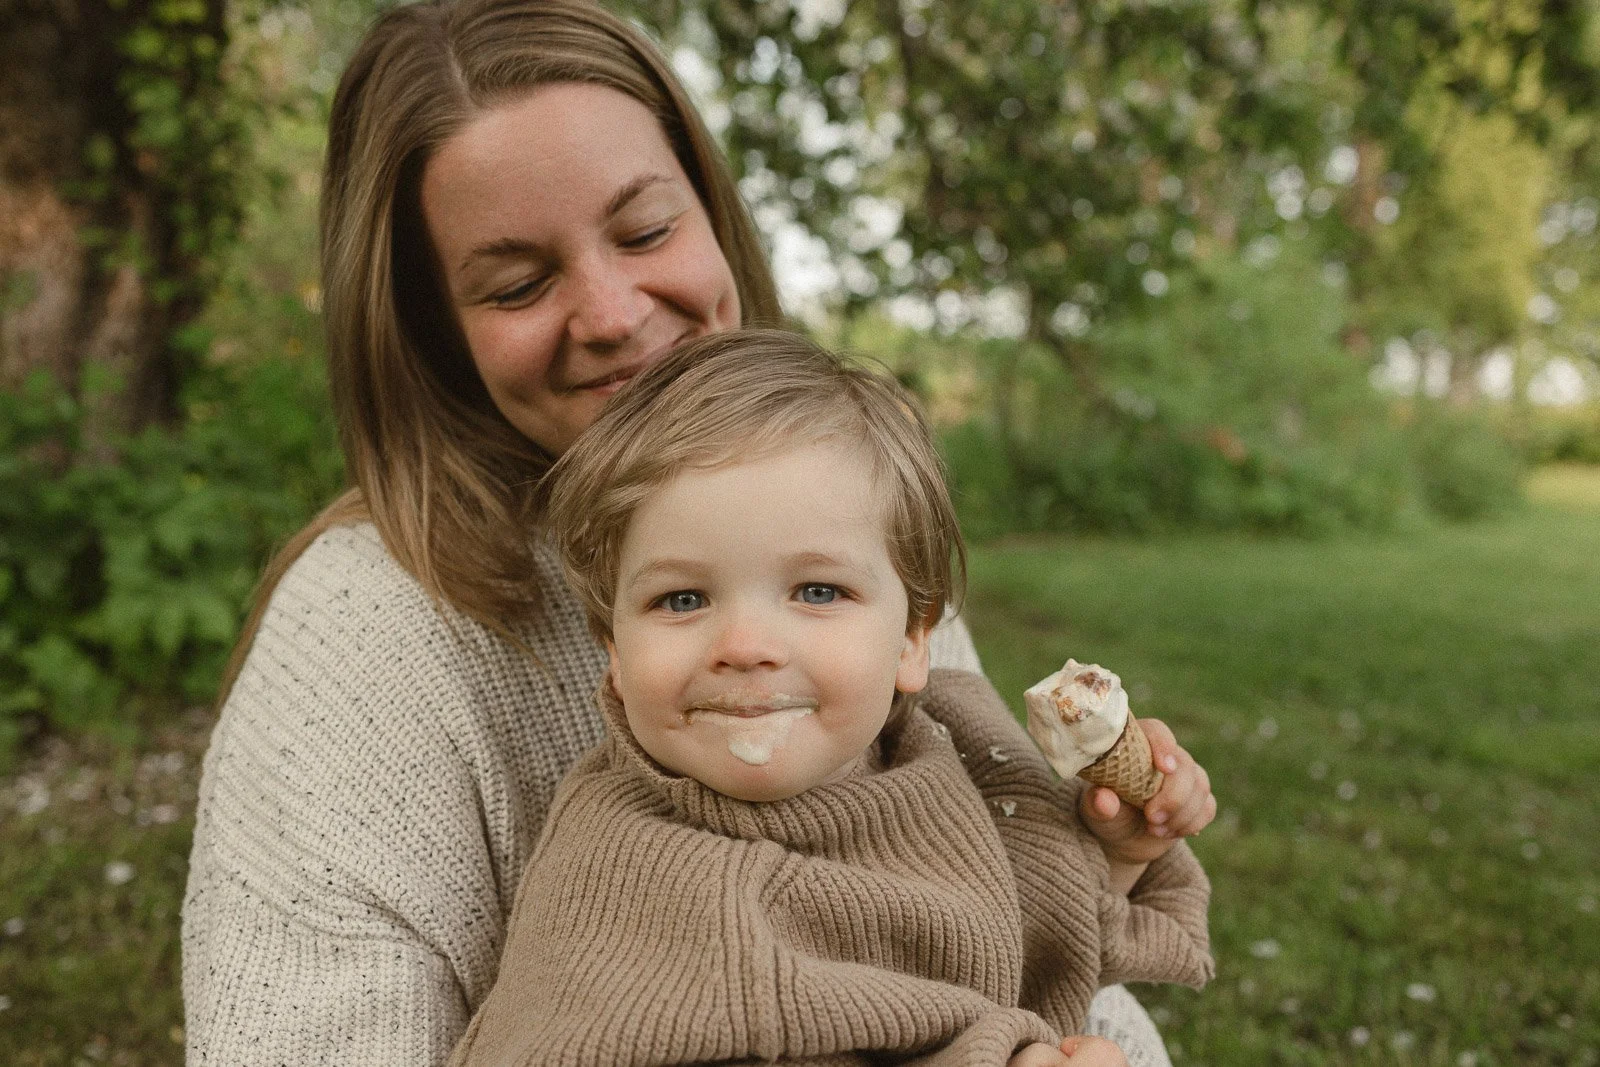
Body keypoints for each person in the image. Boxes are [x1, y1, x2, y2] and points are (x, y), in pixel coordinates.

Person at [179, 0, 1210, 1062]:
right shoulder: (363, 632)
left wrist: (1104, 867)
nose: (616, 314)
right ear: (435, 328)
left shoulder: (834, 503)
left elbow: (1001, 936)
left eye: (646, 230)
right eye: (519, 282)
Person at [449, 331, 1215, 1066]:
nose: (745, 644)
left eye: (817, 590)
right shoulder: (621, 865)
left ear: (915, 637)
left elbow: (1044, 940)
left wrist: (1121, 849)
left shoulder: (955, 761)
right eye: (682, 599)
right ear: (614, 652)